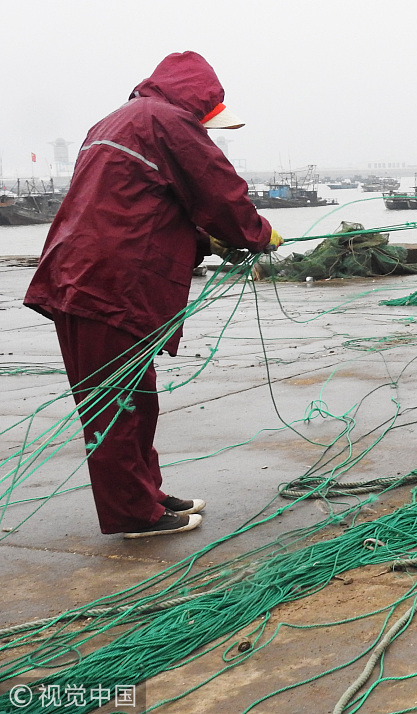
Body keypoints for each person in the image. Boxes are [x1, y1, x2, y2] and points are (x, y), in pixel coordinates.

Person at [24, 51, 281, 538]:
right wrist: (256, 232)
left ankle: (147, 494)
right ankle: (132, 513)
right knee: (114, 404)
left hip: (90, 274)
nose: (207, 126)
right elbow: (218, 192)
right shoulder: (168, 121)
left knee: (136, 398)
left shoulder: (120, 119)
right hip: (107, 284)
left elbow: (144, 204)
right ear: (195, 100)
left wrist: (208, 241)